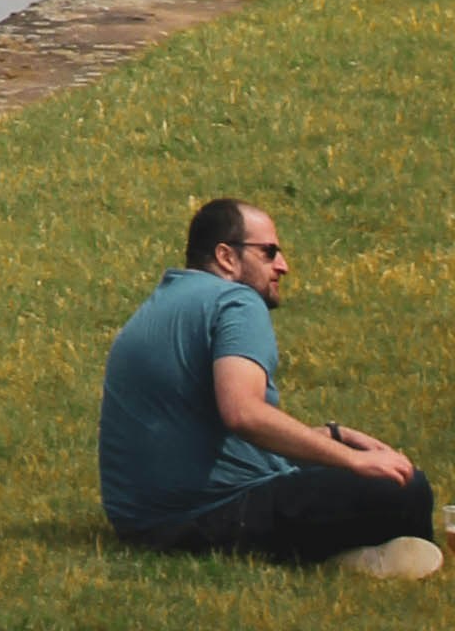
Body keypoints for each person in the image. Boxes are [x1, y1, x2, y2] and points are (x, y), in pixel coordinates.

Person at [100, 197, 437, 575]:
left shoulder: (160, 306)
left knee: (357, 472)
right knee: (404, 488)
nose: (283, 266)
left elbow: (200, 429)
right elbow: (243, 413)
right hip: (199, 518)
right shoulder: (236, 302)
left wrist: (330, 436)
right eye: (269, 252)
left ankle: (362, 553)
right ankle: (355, 556)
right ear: (226, 256)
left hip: (143, 522)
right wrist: (353, 460)